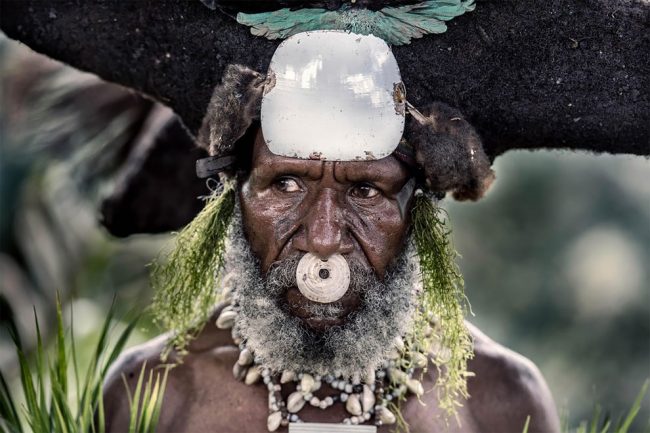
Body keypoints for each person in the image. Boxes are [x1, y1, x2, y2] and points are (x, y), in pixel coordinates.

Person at [103, 31, 560, 433]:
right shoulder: (156, 395)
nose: (322, 240)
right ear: (236, 195)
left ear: (416, 211)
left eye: (365, 189)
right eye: (285, 184)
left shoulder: (501, 402)